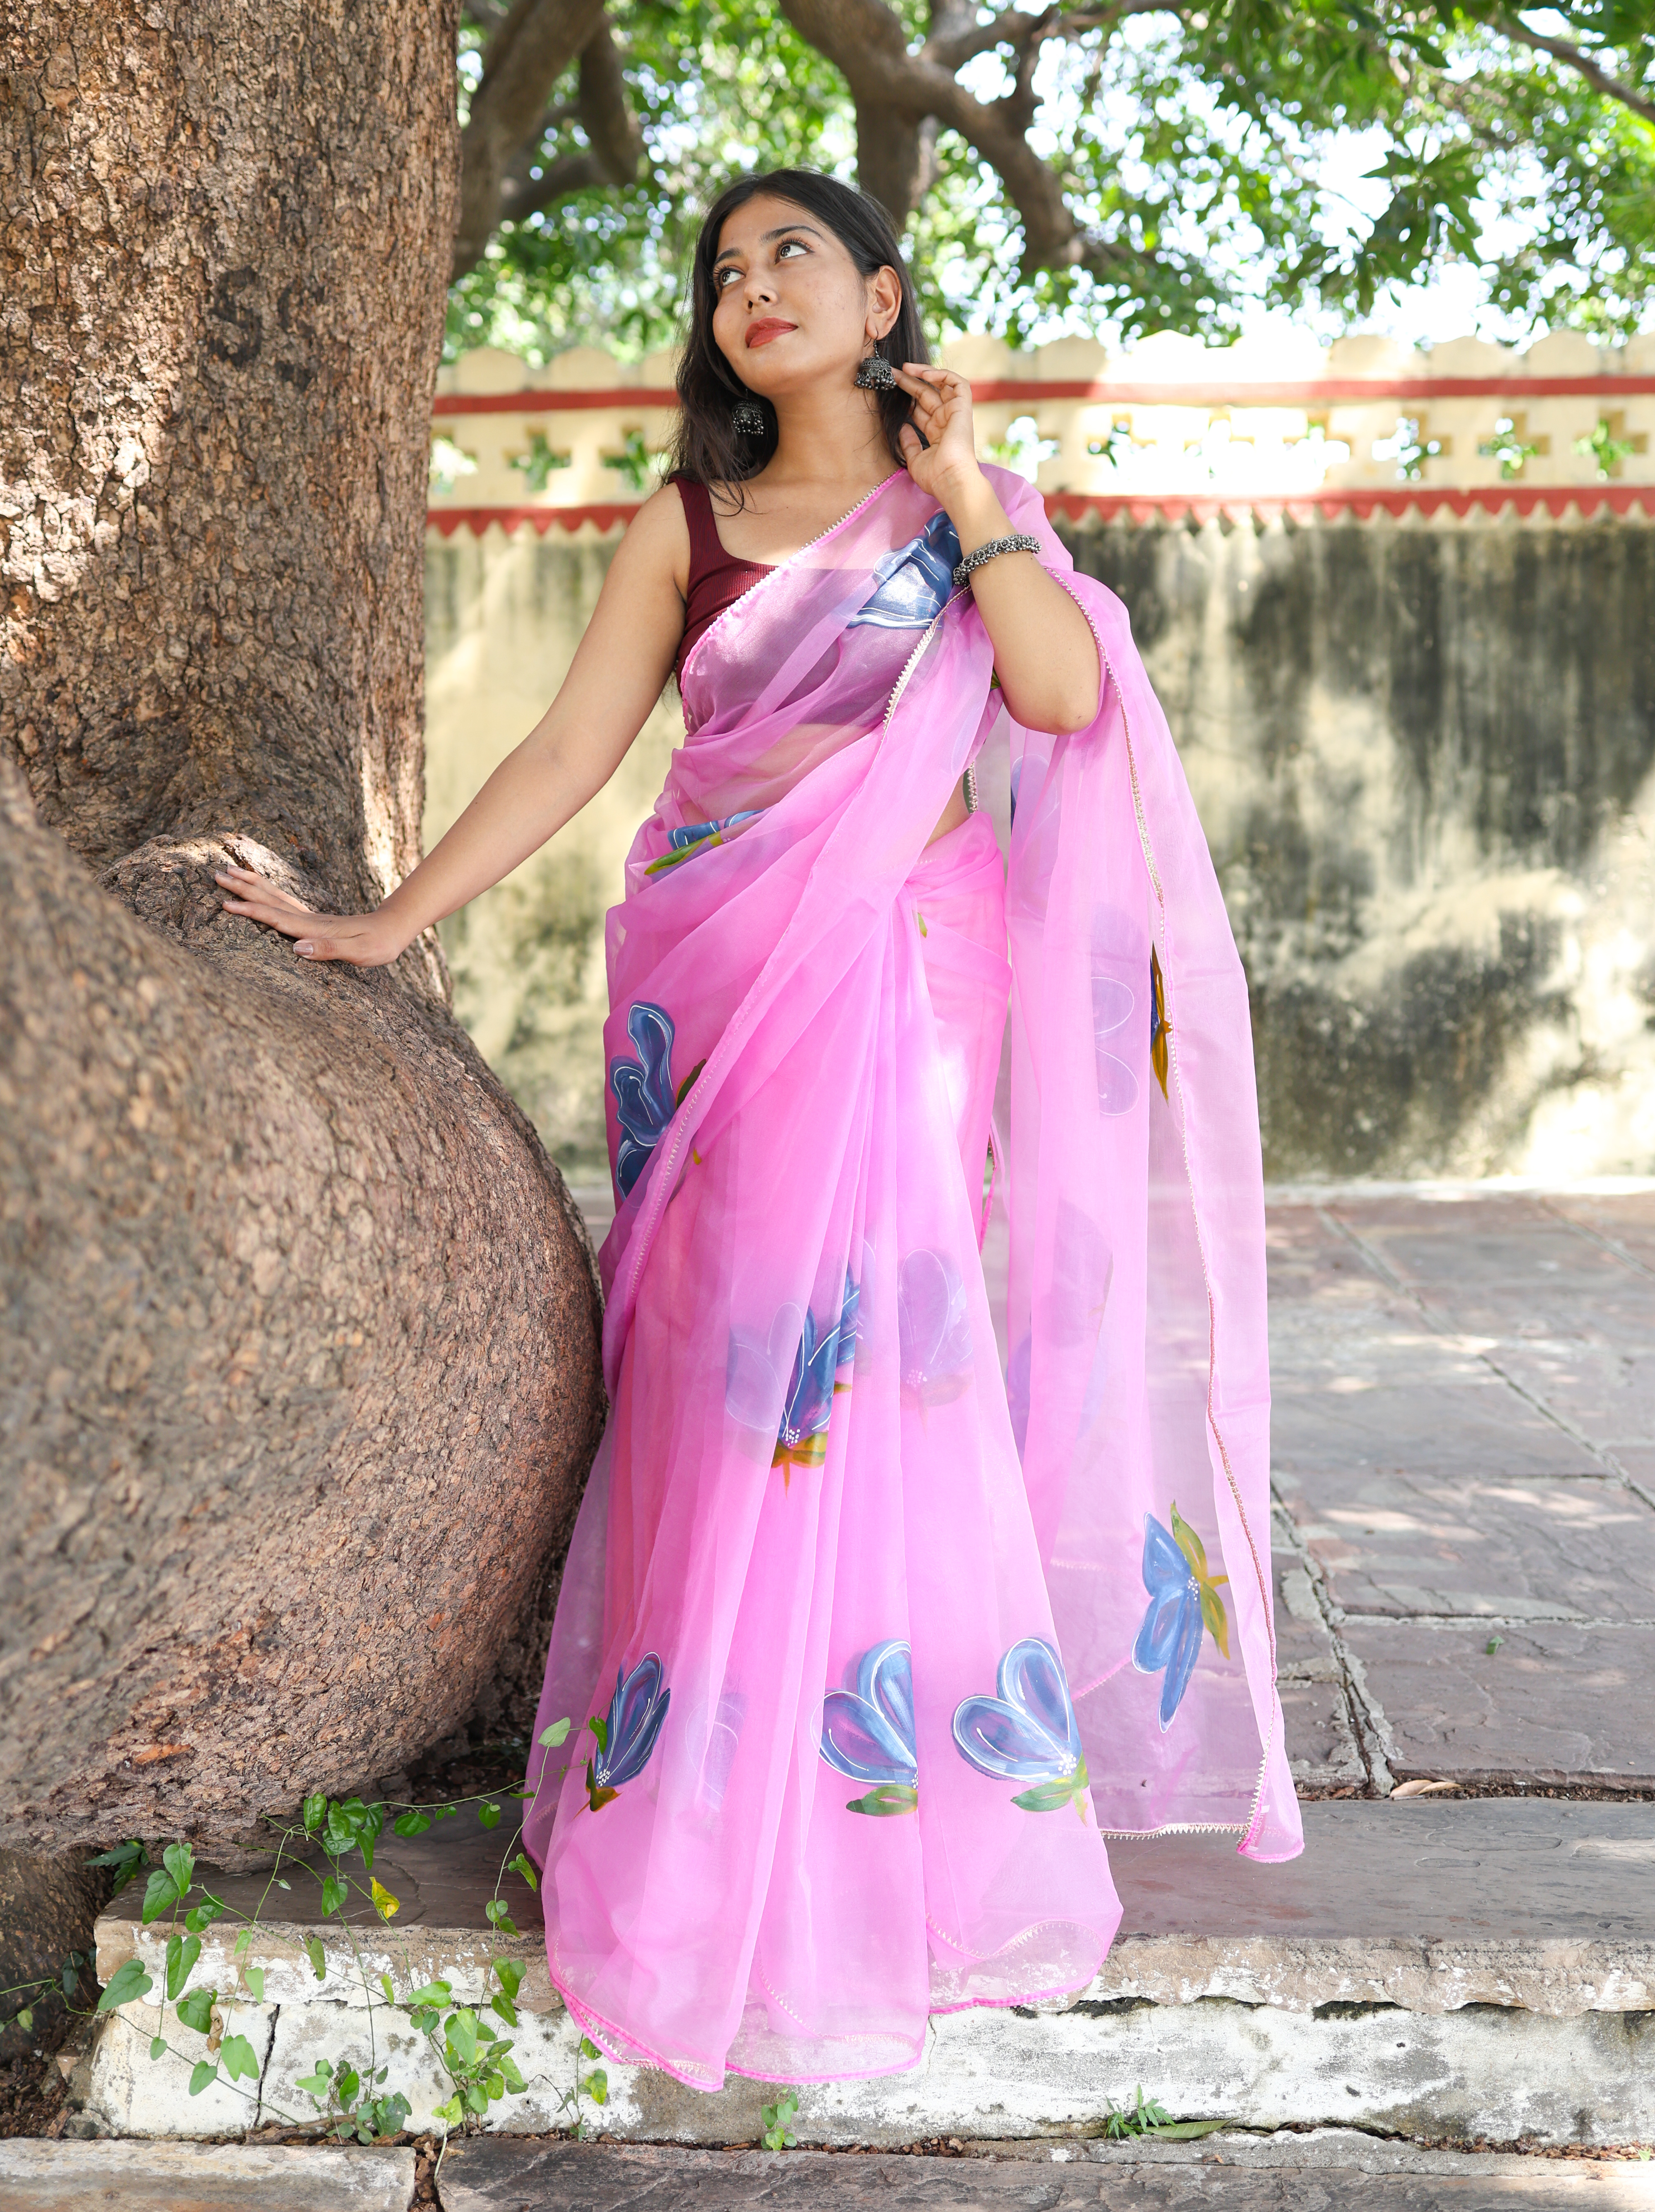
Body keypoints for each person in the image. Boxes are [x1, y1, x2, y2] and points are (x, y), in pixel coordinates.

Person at [217, 168, 1300, 2092]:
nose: (753, 290)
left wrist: (969, 497)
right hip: (714, 978)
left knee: (887, 1366)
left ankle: (904, 1814)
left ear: (883, 296)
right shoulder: (687, 527)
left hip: (903, 968)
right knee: (729, 1382)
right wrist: (388, 923)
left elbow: (1053, 695)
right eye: (725, 273)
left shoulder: (964, 514)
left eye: (792, 255)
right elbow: (573, 749)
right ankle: (709, 1807)